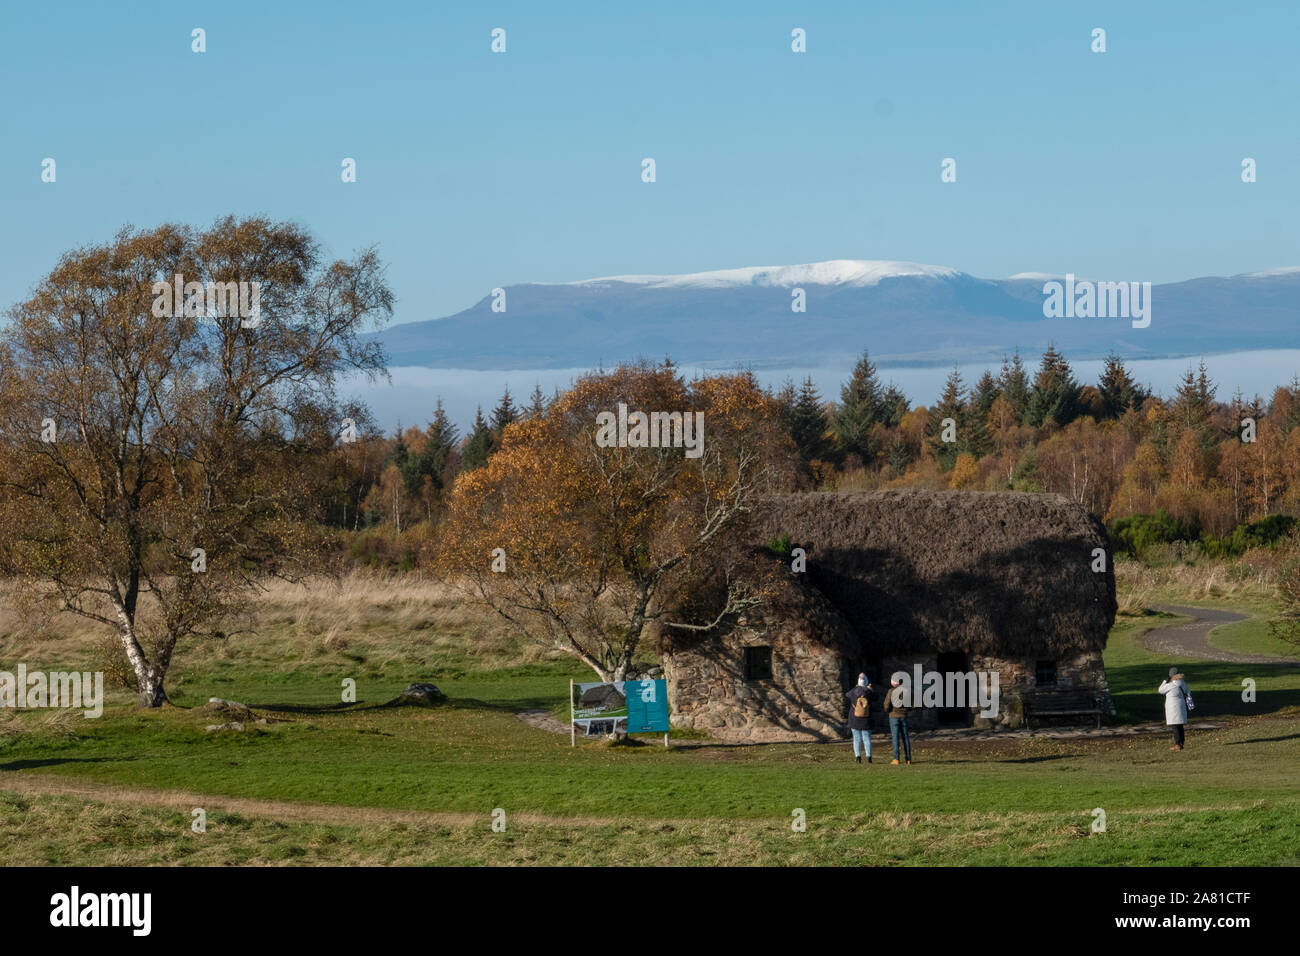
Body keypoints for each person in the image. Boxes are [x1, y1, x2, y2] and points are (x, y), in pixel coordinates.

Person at [1158, 666, 1192, 751]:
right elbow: (1188, 691)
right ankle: (1181, 743)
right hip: (1181, 705)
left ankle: (1177, 744)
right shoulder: (1182, 683)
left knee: (1175, 726)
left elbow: (1160, 690)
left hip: (1173, 707)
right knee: (1180, 725)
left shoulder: (1171, 685)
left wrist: (1165, 681)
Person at [844, 673, 875, 763]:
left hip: (855, 718)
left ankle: (858, 757)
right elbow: (876, 697)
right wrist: (870, 689)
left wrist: (857, 687)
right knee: (867, 738)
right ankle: (869, 757)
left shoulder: (853, 691)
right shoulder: (869, 692)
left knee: (856, 739)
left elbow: (847, 695)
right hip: (866, 718)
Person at [885, 676, 912, 765]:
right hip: (903, 716)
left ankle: (896, 759)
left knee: (895, 737)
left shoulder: (891, 691)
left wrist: (888, 710)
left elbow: (887, 704)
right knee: (905, 737)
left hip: (894, 716)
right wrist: (906, 710)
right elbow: (911, 704)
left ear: (894, 682)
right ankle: (908, 759)